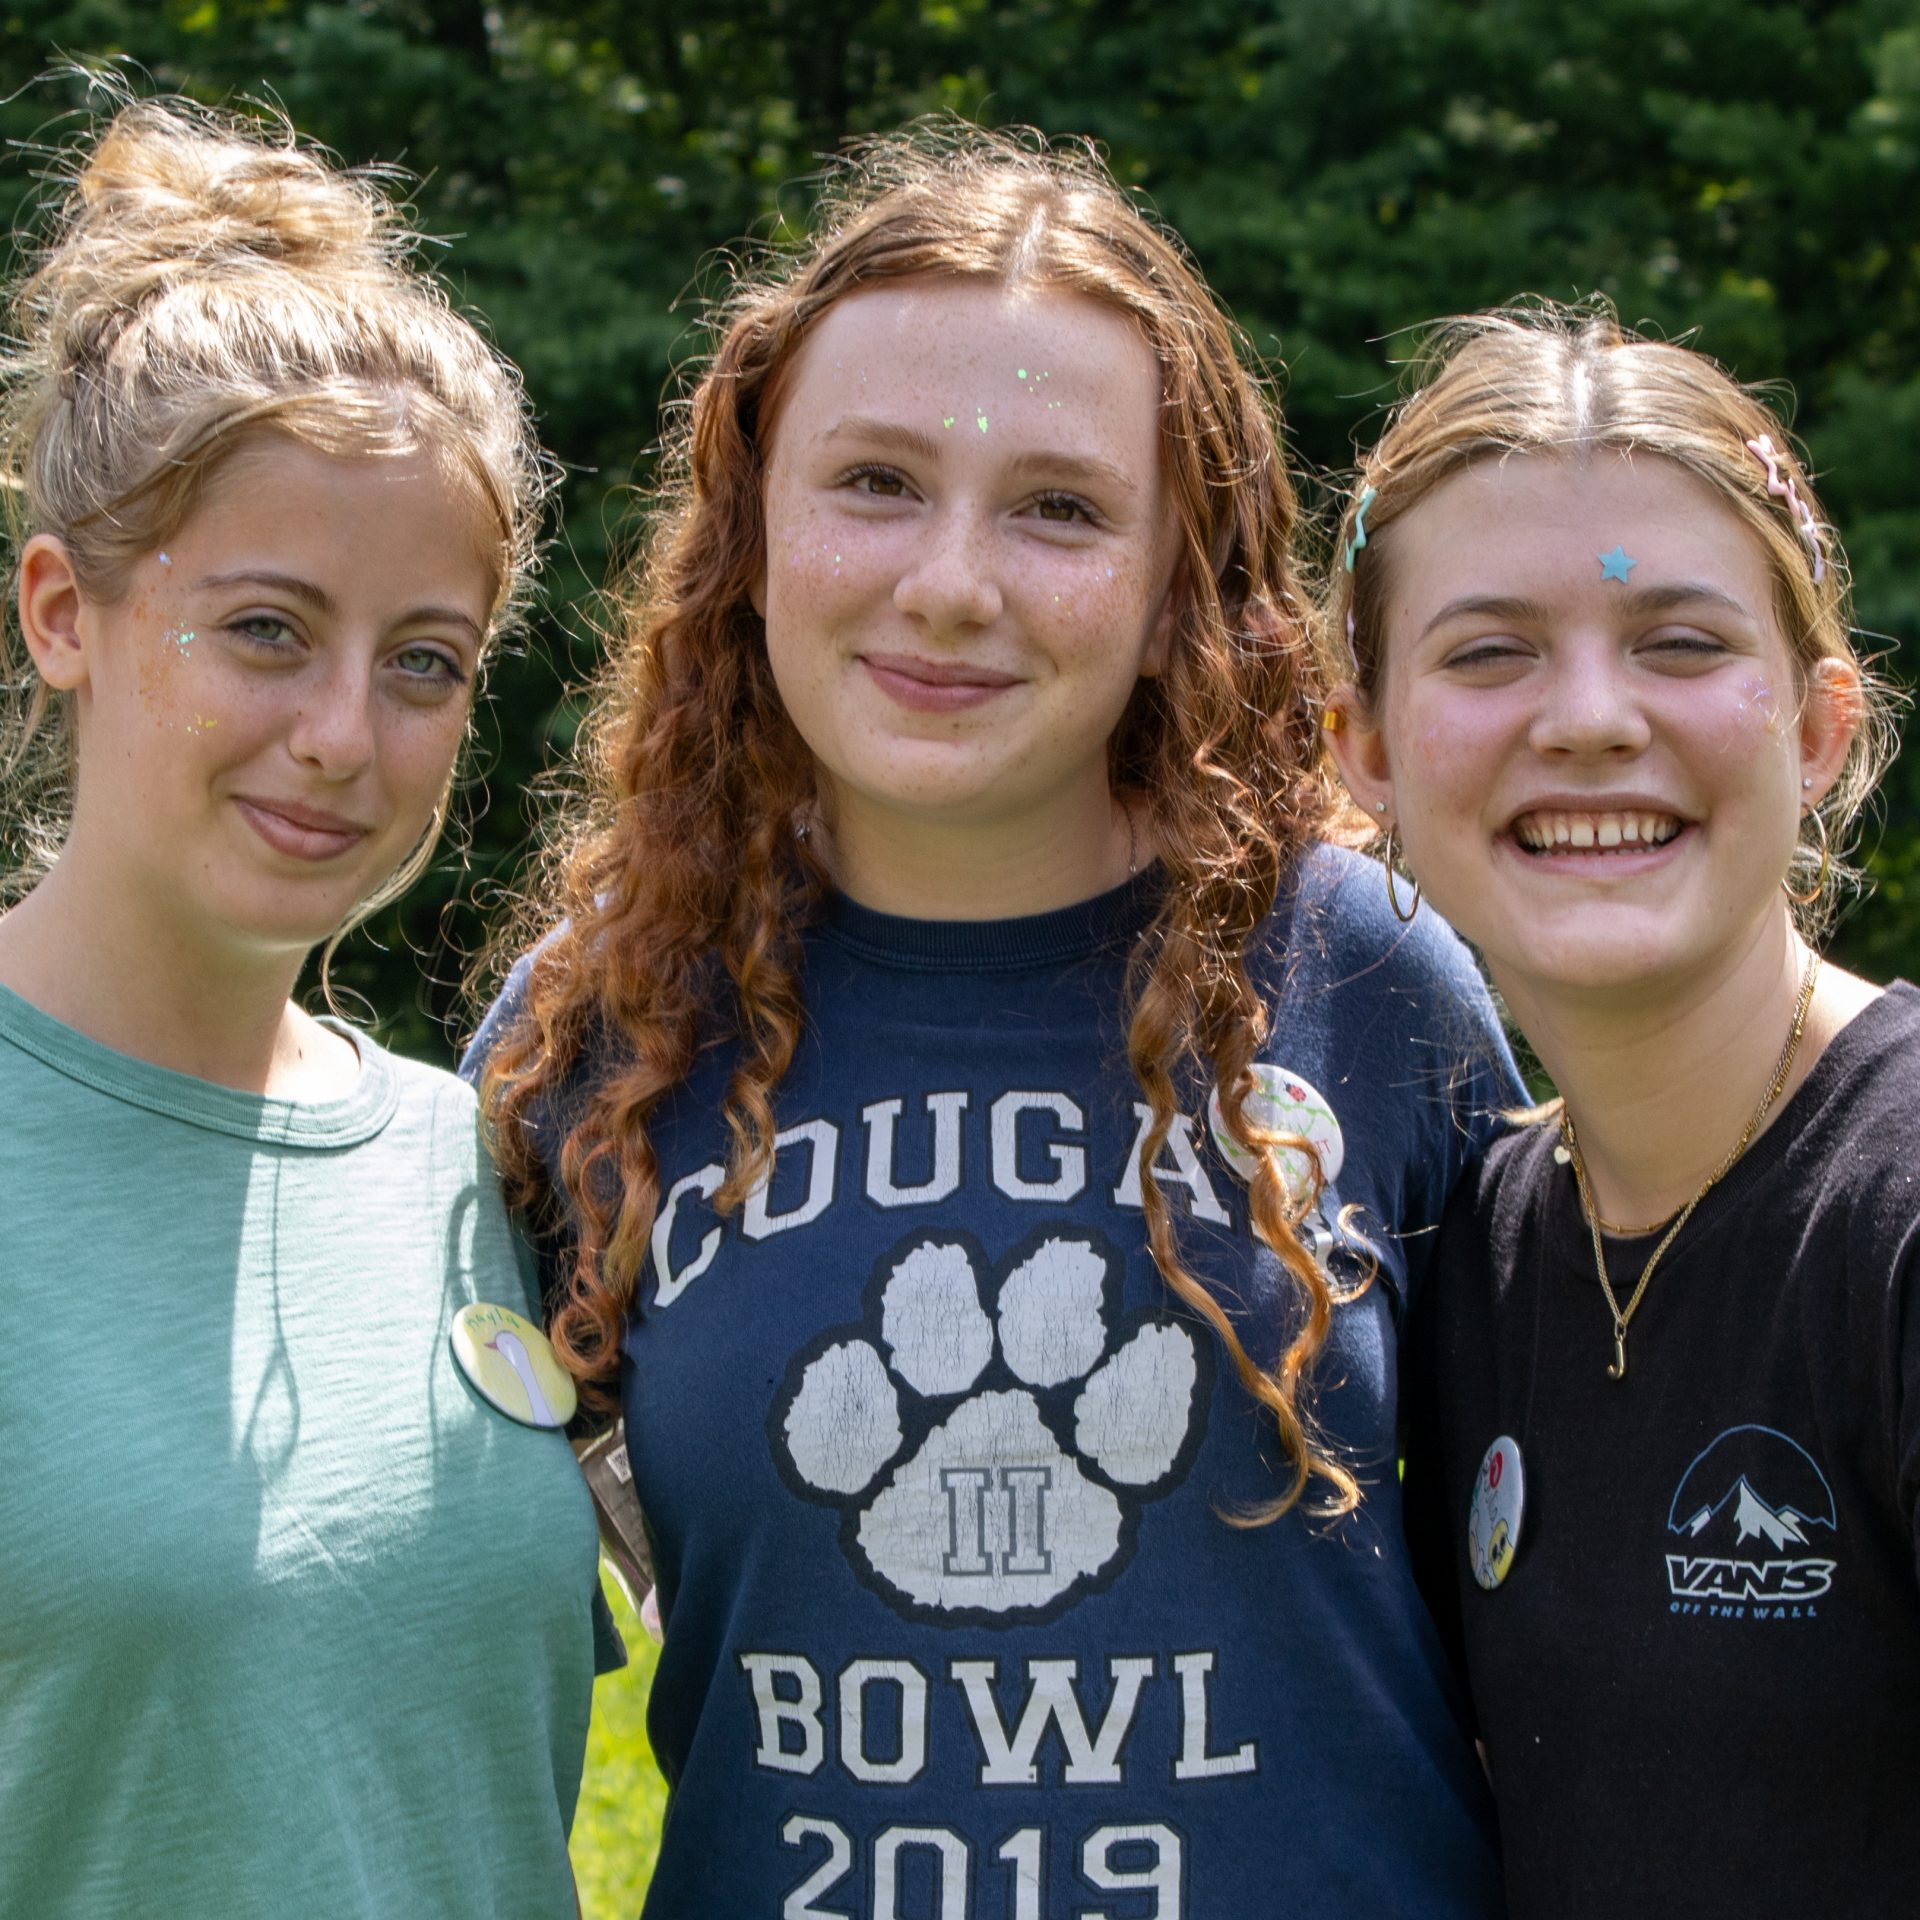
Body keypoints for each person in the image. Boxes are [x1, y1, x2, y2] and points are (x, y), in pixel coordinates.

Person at [471, 126, 1514, 1917]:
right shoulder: (599, 1023)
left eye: (1057, 507)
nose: (952, 583)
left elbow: (1566, 1594)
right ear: (751, 527)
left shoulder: (1367, 972)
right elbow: (445, 1659)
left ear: (1175, 569)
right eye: (875, 480)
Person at [0, 95, 612, 1917]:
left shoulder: (481, 1158)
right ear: (62, 613)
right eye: (268, 628)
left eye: (422, 662)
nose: (347, 736)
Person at [1322, 302, 1915, 1918]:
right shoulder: (1480, 1247)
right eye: (1489, 649)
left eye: (1680, 641)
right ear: (1363, 742)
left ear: (1815, 722)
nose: (1588, 716)